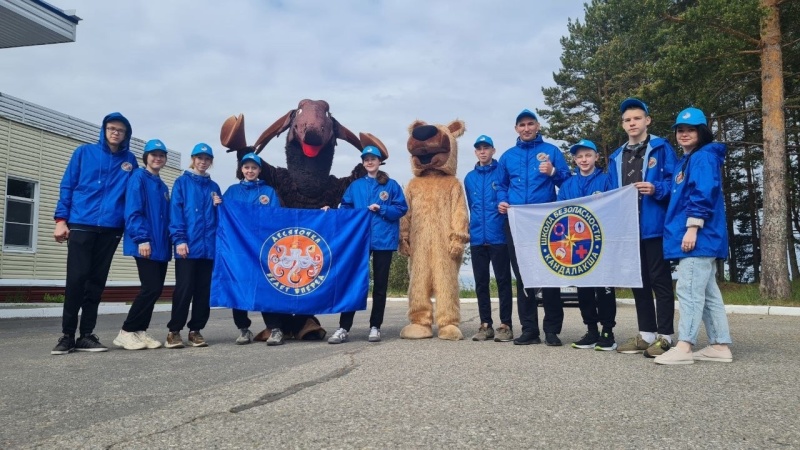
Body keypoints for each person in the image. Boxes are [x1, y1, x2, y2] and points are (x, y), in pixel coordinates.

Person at [51, 112, 139, 355]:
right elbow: (67, 185)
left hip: (111, 229)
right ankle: (67, 335)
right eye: (111, 128)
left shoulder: (130, 160)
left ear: (126, 135)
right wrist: (61, 220)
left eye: (120, 130)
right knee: (77, 280)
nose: (115, 133)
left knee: (96, 283)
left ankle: (86, 335)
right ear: (104, 129)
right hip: (81, 223)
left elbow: (135, 194)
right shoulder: (84, 153)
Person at [654, 107, 732, 365]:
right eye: (680, 130)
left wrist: (692, 227)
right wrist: (655, 188)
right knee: (709, 294)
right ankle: (720, 345)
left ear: (702, 132)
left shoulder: (703, 157)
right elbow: (678, 193)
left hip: (698, 237)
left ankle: (684, 346)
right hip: (701, 238)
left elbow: (704, 192)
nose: (684, 134)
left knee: (688, 291)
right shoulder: (687, 160)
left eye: (691, 130)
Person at [608, 98, 679, 358]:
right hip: (629, 229)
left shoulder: (661, 148)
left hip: (654, 227)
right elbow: (610, 190)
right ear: (623, 125)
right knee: (638, 282)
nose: (632, 123)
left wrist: (656, 188)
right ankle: (646, 334)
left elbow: (676, 181)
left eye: (637, 118)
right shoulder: (617, 156)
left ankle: (665, 336)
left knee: (660, 281)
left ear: (647, 120)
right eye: (627, 120)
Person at [497, 109, 570, 346]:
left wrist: (553, 172)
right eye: (522, 125)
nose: (526, 128)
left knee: (549, 274)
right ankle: (529, 330)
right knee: (523, 276)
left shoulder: (551, 152)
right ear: (516, 129)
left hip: (545, 222)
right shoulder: (508, 156)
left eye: (530, 124)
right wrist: (502, 200)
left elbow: (567, 181)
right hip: (516, 221)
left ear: (537, 126)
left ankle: (551, 330)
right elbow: (501, 185)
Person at [327, 146, 408, 344]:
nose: (370, 162)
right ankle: (343, 327)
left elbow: (401, 208)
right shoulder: (355, 186)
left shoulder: (390, 185)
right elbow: (345, 209)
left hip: (383, 241)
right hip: (359, 241)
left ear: (380, 162)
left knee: (380, 285)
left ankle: (375, 326)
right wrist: (331, 211)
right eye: (366, 159)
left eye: (373, 159)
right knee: (353, 281)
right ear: (363, 163)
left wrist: (382, 209)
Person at [556, 139, 618, 351]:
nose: (584, 159)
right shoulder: (567, 185)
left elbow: (615, 207)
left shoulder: (607, 180)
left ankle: (607, 331)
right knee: (584, 289)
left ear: (596, 157)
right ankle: (591, 330)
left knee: (604, 288)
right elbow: (560, 214)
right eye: (579, 156)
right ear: (574, 159)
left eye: (588, 155)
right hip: (578, 247)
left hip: (602, 245)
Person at [113, 139, 171, 350]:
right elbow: (133, 211)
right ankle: (126, 331)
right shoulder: (138, 177)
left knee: (156, 290)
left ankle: (140, 331)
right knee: (150, 288)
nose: (157, 158)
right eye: (153, 155)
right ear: (146, 157)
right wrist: (142, 239)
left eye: (161, 155)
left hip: (161, 246)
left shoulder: (162, 185)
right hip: (145, 243)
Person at [165, 143, 222, 348]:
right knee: (184, 288)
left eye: (207, 159)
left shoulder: (214, 187)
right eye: (199, 158)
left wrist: (219, 206)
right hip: (187, 247)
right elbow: (176, 213)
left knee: (203, 291)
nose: (203, 162)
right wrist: (179, 239)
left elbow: (220, 220)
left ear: (211, 162)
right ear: (193, 160)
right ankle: (174, 331)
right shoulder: (181, 183)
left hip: (208, 249)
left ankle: (196, 330)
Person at [222, 152, 280, 345]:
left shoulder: (269, 192)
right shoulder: (231, 192)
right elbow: (223, 219)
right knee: (238, 286)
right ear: (241, 169)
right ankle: (243, 328)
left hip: (263, 248)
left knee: (267, 286)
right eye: (246, 167)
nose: (250, 171)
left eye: (254, 168)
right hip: (238, 249)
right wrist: (217, 205)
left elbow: (276, 218)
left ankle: (275, 328)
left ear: (259, 170)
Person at [464, 135, 514, 342]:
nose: (483, 151)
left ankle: (506, 325)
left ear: (493, 150)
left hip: (499, 236)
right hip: (477, 237)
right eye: (479, 149)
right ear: (475, 152)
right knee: (481, 282)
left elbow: (509, 197)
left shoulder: (502, 172)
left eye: (486, 148)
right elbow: (471, 206)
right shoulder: (469, 178)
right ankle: (486, 325)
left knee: (503, 281)